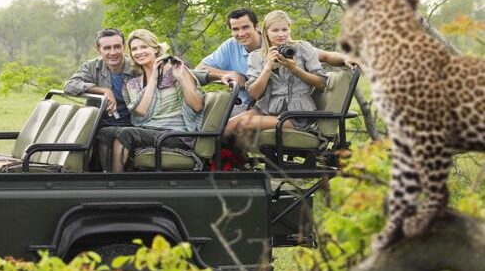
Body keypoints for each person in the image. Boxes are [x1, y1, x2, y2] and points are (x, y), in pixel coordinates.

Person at [196, 8, 355, 110]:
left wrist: (346, 58)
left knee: (229, 124)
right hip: (249, 103)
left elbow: (324, 56)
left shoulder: (282, 45)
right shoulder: (231, 46)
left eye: (245, 27)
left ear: (258, 28)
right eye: (235, 29)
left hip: (280, 106)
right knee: (211, 116)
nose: (241, 33)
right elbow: (200, 70)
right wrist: (227, 74)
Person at [110, 30, 205, 172]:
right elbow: (141, 112)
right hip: (149, 131)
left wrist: (181, 79)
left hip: (175, 135)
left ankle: (115, 181)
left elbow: (197, 106)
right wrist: (153, 78)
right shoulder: (133, 83)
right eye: (134, 49)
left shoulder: (177, 70)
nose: (139, 52)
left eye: (144, 47)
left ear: (155, 49)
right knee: (107, 133)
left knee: (125, 134)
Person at [224, 10, 327, 137]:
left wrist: (295, 69)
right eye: (275, 30)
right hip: (266, 108)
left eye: (284, 30)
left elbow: (321, 83)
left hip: (296, 114)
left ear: (289, 29)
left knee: (244, 123)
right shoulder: (256, 56)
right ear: (265, 32)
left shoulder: (303, 48)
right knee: (228, 125)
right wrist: (267, 68)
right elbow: (254, 94)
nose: (281, 35)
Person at [64, 28, 135, 170]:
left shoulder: (135, 67)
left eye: (117, 47)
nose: (113, 52)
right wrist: (103, 90)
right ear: (98, 49)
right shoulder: (92, 66)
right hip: (99, 122)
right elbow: (69, 85)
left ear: (124, 47)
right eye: (107, 48)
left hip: (131, 123)